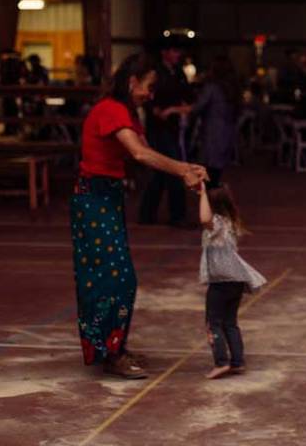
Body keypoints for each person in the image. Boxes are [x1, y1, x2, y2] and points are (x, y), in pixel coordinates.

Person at [71, 53, 208, 379]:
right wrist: (182, 171)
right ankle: (109, 352)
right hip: (92, 199)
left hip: (107, 197)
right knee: (114, 278)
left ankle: (114, 348)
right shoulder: (111, 109)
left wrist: (186, 168)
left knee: (115, 277)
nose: (150, 94)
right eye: (148, 87)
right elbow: (139, 153)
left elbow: (148, 151)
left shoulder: (128, 112)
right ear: (132, 82)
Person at [198, 181, 266, 379]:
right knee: (230, 322)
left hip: (222, 281)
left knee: (213, 322)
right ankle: (237, 362)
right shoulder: (230, 221)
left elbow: (204, 218)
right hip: (235, 279)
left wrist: (203, 193)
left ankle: (221, 362)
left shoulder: (217, 223)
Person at [139, 39, 193, 227]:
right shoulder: (156, 72)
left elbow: (188, 96)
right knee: (168, 169)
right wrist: (156, 110)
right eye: (174, 51)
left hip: (173, 126)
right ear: (165, 52)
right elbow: (148, 98)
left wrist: (177, 109)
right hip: (157, 127)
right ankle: (174, 216)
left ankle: (149, 214)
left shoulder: (178, 73)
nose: (177, 54)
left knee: (162, 172)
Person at [190, 56, 239, 188]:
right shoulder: (232, 89)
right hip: (227, 131)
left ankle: (210, 204)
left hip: (212, 132)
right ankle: (215, 201)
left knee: (208, 174)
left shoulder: (212, 87)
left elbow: (197, 107)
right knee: (216, 173)